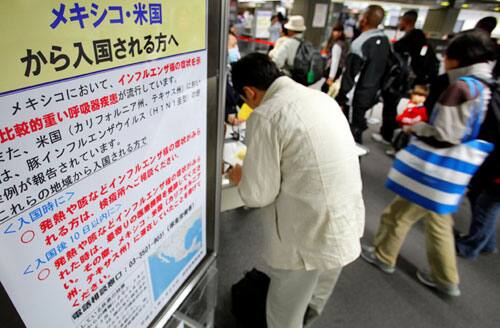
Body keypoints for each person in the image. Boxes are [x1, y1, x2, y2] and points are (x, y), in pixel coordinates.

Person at [227, 53, 364, 328]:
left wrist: (240, 175)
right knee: (313, 299)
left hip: (307, 235)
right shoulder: (322, 99)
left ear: (249, 92)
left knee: (283, 314)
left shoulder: (266, 115)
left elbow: (258, 194)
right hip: (344, 220)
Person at [361, 30, 496, 297]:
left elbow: (445, 134)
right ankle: (446, 278)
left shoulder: (460, 87)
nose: (444, 60)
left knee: (398, 214)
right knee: (439, 220)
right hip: (455, 171)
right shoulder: (485, 85)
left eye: (448, 55)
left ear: (458, 58)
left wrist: (416, 129)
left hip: (436, 169)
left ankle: (384, 256)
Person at [372, 10, 438, 145]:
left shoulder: (411, 38)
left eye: (401, 20)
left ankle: (388, 134)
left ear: (406, 21)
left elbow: (397, 55)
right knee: (401, 107)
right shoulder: (419, 38)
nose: (399, 22)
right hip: (414, 81)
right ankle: (395, 133)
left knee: (392, 104)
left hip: (403, 81)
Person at [335, 5, 390, 143]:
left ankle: (352, 161)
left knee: (351, 132)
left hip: (356, 97)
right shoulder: (385, 41)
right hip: (373, 93)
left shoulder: (360, 44)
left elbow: (350, 76)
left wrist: (340, 99)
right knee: (356, 126)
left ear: (364, 20)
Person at [386, 85, 429, 156]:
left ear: (424, 98)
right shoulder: (411, 104)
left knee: (405, 140)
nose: (414, 97)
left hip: (411, 129)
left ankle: (400, 152)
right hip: (404, 127)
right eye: (414, 94)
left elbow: (419, 120)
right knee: (399, 137)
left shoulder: (421, 109)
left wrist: (405, 119)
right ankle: (395, 149)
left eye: (418, 96)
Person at [321, 23, 348, 95]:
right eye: (334, 31)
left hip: (333, 71)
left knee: (325, 90)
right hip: (338, 70)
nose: (334, 33)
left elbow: (335, 61)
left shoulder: (337, 45)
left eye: (337, 31)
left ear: (341, 32)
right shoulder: (343, 43)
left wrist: (331, 77)